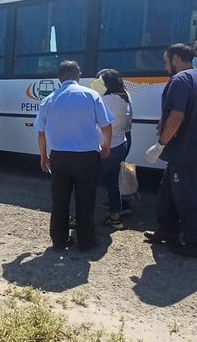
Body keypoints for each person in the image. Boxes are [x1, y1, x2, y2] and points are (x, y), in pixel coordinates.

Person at [144, 43, 197, 259]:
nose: (166, 67)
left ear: (176, 58)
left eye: (166, 61)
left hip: (186, 151)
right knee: (167, 191)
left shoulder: (180, 80)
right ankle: (167, 229)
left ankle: (196, 243)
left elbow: (177, 116)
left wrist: (161, 144)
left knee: (188, 197)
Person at [35, 61, 114, 251]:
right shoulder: (91, 95)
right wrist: (106, 145)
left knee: (60, 200)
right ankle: (86, 242)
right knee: (86, 199)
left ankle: (59, 240)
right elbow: (106, 126)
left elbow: (41, 132)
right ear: (78, 75)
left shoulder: (49, 99)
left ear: (59, 78)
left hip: (59, 157)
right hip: (86, 157)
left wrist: (43, 156)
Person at [91, 69, 133, 229]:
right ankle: (115, 218)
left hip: (105, 147)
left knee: (89, 183)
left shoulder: (104, 100)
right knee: (112, 182)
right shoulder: (125, 97)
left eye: (98, 82)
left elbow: (94, 123)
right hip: (120, 145)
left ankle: (83, 218)